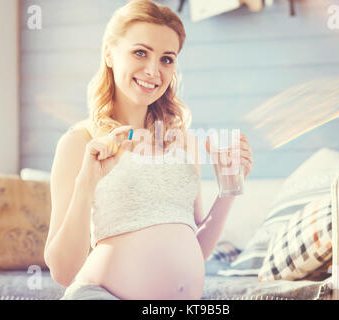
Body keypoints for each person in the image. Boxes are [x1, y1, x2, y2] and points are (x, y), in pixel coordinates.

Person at [44, 0, 254, 300]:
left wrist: (228, 190)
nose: (153, 70)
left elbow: (198, 248)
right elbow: (62, 272)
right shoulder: (81, 142)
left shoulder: (184, 143)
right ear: (109, 54)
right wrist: (87, 182)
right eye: (140, 52)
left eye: (167, 59)